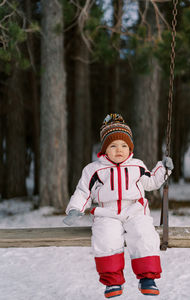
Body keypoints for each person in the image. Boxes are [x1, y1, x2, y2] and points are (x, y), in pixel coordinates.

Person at [63, 113, 174, 298]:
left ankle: (147, 278)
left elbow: (152, 182)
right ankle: (112, 281)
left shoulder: (137, 166)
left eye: (124, 145)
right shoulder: (94, 169)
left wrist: (164, 169)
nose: (119, 149)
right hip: (107, 213)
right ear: (105, 149)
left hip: (135, 210)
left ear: (130, 148)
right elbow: (83, 191)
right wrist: (76, 209)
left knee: (144, 234)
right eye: (113, 145)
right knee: (106, 238)